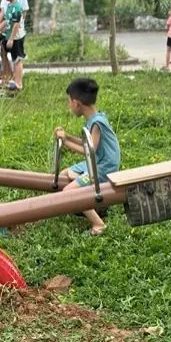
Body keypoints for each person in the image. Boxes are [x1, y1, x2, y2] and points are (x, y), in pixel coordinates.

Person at [54, 78, 120, 236]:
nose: (69, 106)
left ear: (76, 103)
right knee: (64, 174)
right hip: (95, 161)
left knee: (69, 192)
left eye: (68, 101)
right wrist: (67, 137)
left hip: (103, 167)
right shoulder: (93, 119)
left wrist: (65, 142)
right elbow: (86, 143)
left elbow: (88, 150)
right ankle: (76, 205)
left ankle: (98, 223)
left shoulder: (97, 123)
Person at [1, 0, 26, 90]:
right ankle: (11, 79)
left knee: (17, 59)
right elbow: (7, 20)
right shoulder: (9, 5)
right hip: (8, 34)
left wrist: (11, 39)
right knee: (4, 54)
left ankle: (18, 83)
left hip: (16, 36)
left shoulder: (17, 7)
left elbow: (16, 24)